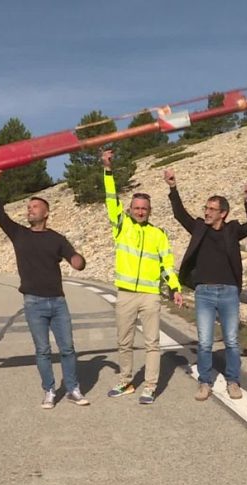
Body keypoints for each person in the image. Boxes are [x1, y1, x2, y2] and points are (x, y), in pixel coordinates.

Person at [0, 170, 90, 409]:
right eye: (28, 207)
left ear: (46, 212)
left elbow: (75, 259)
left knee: (67, 348)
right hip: (33, 303)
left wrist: (78, 261)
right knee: (43, 351)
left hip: (58, 303)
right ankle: (49, 391)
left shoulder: (57, 238)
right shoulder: (18, 234)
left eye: (34, 206)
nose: (29, 210)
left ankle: (73, 388)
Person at [163, 168, 247, 401]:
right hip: (204, 293)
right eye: (206, 208)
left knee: (232, 341)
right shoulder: (199, 228)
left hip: (228, 292)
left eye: (211, 209)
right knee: (205, 342)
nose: (206, 212)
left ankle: (233, 381)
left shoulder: (233, 230)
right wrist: (173, 188)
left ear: (223, 214)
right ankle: (205, 382)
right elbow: (180, 214)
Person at [102, 150, 184, 405]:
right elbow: (110, 199)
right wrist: (107, 171)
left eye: (144, 209)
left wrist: (175, 287)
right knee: (124, 341)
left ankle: (149, 386)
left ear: (149, 211)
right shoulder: (121, 226)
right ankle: (126, 380)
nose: (140, 212)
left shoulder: (158, 234)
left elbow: (167, 265)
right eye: (136, 208)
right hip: (125, 292)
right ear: (130, 209)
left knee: (152, 343)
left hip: (150, 295)